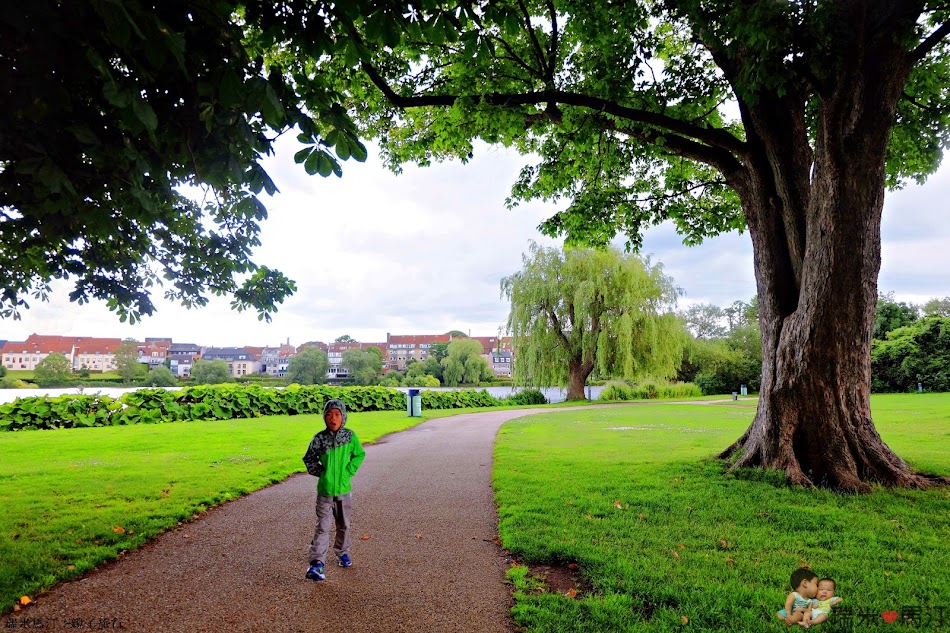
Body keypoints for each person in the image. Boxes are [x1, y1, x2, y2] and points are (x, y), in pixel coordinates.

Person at [302, 398, 366, 581]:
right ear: (324, 417)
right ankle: (317, 564)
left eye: (337, 414)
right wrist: (322, 473)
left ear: (343, 417)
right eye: (329, 414)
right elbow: (309, 459)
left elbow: (359, 454)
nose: (333, 418)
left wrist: (348, 471)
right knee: (322, 527)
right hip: (325, 491)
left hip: (344, 491)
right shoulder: (319, 439)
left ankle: (342, 553)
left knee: (343, 525)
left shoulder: (350, 437)